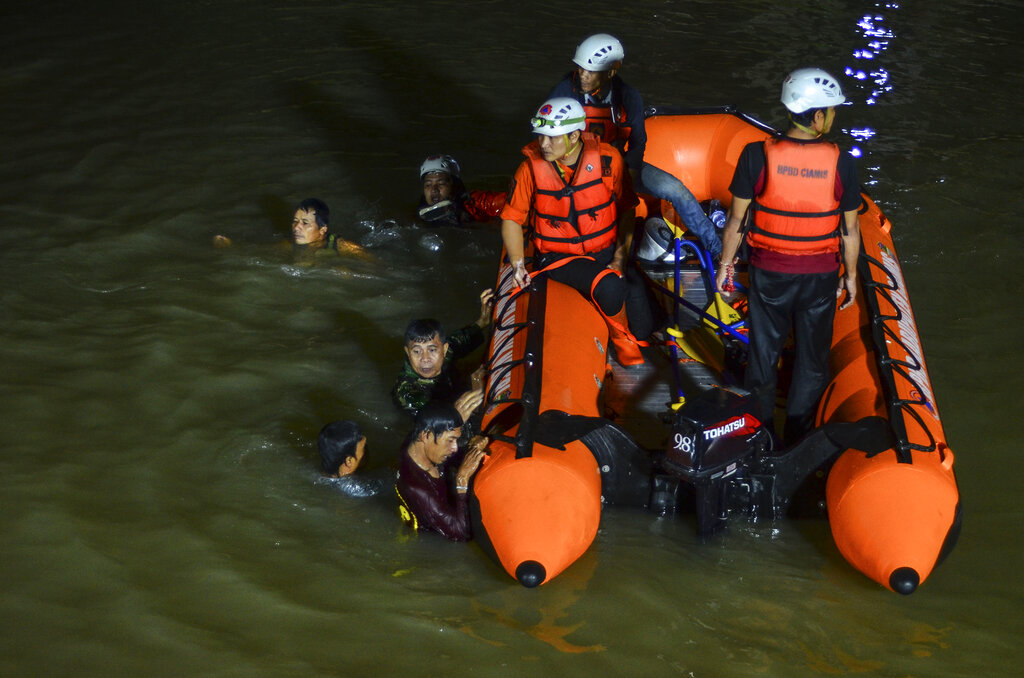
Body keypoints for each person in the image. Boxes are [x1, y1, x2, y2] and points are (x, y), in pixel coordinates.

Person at [714, 67, 862, 444]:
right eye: (831, 111)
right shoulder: (841, 162)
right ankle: (797, 438)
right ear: (817, 117)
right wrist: (850, 276)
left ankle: (759, 437)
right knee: (812, 364)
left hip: (769, 275)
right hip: (818, 279)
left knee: (763, 358)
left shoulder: (755, 155)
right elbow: (850, 229)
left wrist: (725, 265)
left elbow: (736, 220)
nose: (833, 117)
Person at [548, 33, 723, 258]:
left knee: (675, 189)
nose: (582, 75)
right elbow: (549, 133)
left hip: (618, 166)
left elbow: (638, 140)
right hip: (576, 168)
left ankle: (717, 249)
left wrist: (628, 173)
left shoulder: (628, 96)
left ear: (611, 71)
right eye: (581, 69)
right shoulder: (565, 90)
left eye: (590, 72)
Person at [500, 96, 645, 365]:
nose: (543, 144)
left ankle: (629, 326)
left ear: (576, 135)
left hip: (605, 249)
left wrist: (620, 256)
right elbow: (511, 218)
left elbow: (627, 208)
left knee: (646, 323)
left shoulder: (609, 159)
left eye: (552, 137)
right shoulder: (529, 169)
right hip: (558, 257)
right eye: (541, 136)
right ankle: (621, 339)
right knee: (610, 287)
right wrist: (518, 264)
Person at [392, 288, 495, 421]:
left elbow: (460, 339)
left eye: (432, 350)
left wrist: (483, 321)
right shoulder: (409, 394)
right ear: (407, 352)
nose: (425, 358)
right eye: (416, 351)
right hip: (435, 416)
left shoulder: (447, 351)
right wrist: (477, 392)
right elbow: (436, 427)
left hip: (451, 387)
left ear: (444, 349)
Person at [395, 402, 488, 541]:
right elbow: (460, 534)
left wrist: (471, 446)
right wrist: (462, 480)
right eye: (450, 440)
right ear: (426, 436)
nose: (455, 448)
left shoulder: (414, 443)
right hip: (427, 539)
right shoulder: (418, 488)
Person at [213, 198, 368, 257]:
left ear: (322, 230)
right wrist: (230, 247)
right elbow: (257, 251)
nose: (296, 227)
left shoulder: (342, 246)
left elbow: (376, 268)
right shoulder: (289, 245)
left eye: (305, 223)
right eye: (295, 221)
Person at [417, 154, 507, 227]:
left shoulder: (477, 202)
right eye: (428, 185)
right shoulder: (420, 215)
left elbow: (515, 204)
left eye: (441, 184)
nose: (434, 190)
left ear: (455, 185)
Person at [316, 419, 386, 498]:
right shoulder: (355, 489)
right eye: (364, 447)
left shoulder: (320, 475)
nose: (367, 450)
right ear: (349, 461)